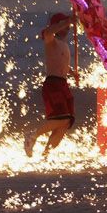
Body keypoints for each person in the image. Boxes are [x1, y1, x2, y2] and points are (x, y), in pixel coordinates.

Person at [24, 12, 76, 158]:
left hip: (62, 84)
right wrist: (67, 21)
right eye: (64, 26)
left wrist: (72, 73)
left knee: (65, 123)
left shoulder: (63, 45)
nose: (67, 29)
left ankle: (46, 155)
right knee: (61, 119)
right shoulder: (50, 40)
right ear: (57, 26)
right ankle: (32, 135)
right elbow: (48, 31)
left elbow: (62, 64)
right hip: (53, 84)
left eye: (68, 27)